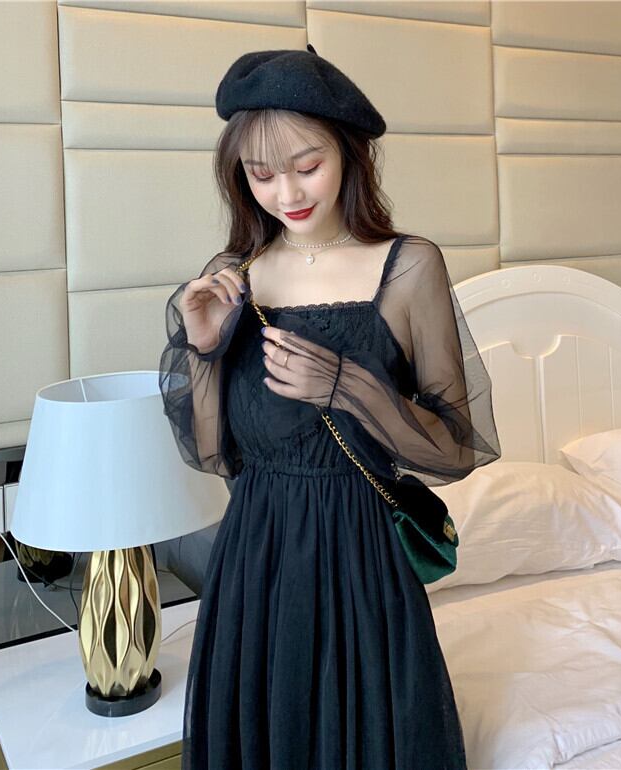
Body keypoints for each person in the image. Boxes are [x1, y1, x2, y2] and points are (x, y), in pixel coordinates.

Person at [159, 46, 501, 770]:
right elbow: (216, 454)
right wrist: (203, 347)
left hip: (360, 551)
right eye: (261, 174)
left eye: (307, 165)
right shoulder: (233, 277)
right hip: (256, 552)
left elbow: (454, 449)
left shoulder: (408, 266)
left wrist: (348, 386)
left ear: (348, 152)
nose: (286, 192)